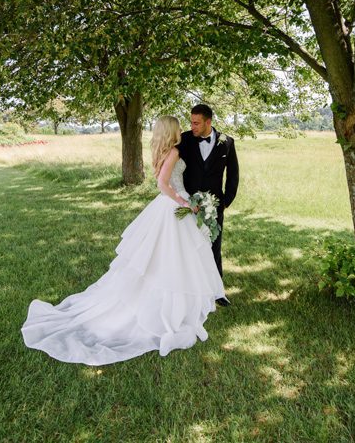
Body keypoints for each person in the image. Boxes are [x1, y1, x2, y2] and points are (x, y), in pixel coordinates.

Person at [21, 116, 225, 365]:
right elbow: (163, 184)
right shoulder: (172, 151)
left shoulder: (162, 151)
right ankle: (169, 306)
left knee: (165, 256)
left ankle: (172, 298)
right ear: (171, 131)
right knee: (174, 256)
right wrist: (184, 203)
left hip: (166, 206)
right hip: (173, 204)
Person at [176, 103, 239, 307]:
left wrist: (225, 201)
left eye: (196, 123)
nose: (192, 126)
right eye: (191, 122)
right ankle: (190, 289)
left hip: (214, 204)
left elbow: (233, 174)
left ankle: (217, 292)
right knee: (189, 246)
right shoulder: (184, 139)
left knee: (214, 245)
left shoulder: (227, 142)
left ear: (208, 122)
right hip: (188, 204)